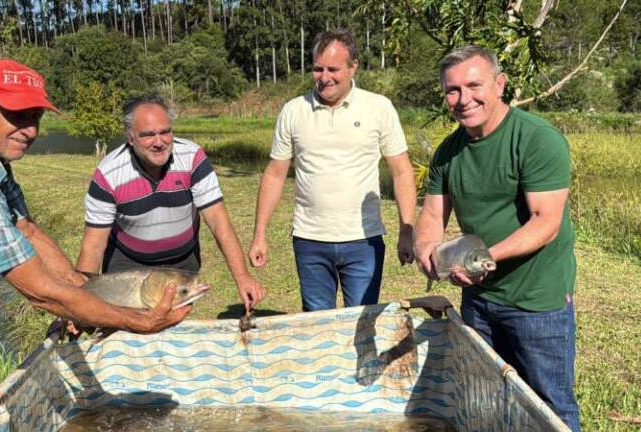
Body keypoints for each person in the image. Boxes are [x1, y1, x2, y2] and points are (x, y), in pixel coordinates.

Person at [0, 60, 190, 431]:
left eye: (35, 115)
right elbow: (42, 294)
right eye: (16, 115)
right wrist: (140, 320)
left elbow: (26, 229)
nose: (29, 129)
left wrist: (84, 294)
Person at [413, 46, 580, 431]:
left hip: (537, 301)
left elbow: (546, 222)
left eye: (474, 85)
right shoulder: (448, 152)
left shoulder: (536, 139)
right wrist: (425, 248)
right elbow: (433, 214)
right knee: (485, 401)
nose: (463, 98)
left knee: (550, 405)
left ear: (500, 84)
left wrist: (481, 259)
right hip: (479, 300)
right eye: (452, 90)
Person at [247, 30, 416, 312]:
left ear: (353, 67)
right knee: (317, 323)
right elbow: (275, 174)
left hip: (364, 242)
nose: (324, 77)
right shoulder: (293, 111)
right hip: (310, 240)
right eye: (317, 68)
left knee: (361, 322)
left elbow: (401, 171)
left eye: (333, 69)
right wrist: (260, 233)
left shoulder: (378, 108)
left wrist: (406, 230)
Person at [75, 94, 265, 311]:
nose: (159, 142)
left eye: (165, 132)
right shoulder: (108, 175)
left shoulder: (193, 158)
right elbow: (93, 245)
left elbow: (219, 223)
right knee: (129, 330)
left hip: (181, 264)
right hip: (129, 267)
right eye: (147, 135)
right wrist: (78, 303)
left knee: (173, 330)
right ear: (130, 137)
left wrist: (242, 277)